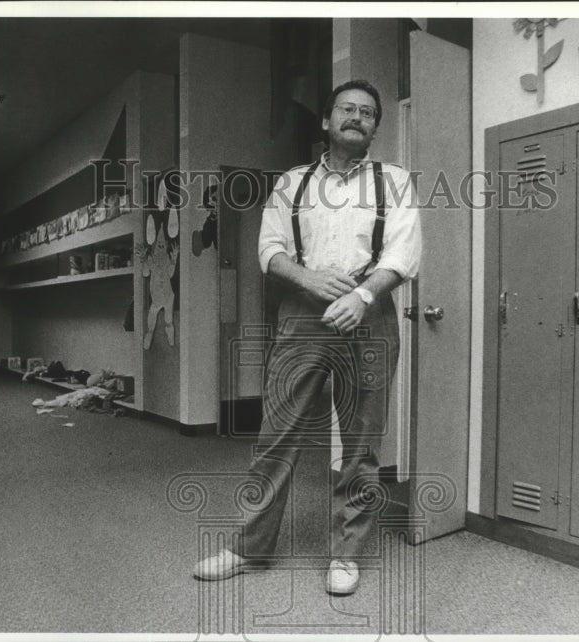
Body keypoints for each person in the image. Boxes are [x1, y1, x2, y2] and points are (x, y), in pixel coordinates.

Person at [193, 79, 421, 595]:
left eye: (367, 112)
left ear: (375, 128)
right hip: (301, 316)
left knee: (360, 446)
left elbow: (403, 255)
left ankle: (347, 555)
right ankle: (249, 548)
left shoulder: (396, 180)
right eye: (346, 109)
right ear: (325, 121)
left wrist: (360, 297)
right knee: (276, 438)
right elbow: (269, 250)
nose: (356, 117)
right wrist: (309, 279)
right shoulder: (292, 182)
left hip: (370, 317)